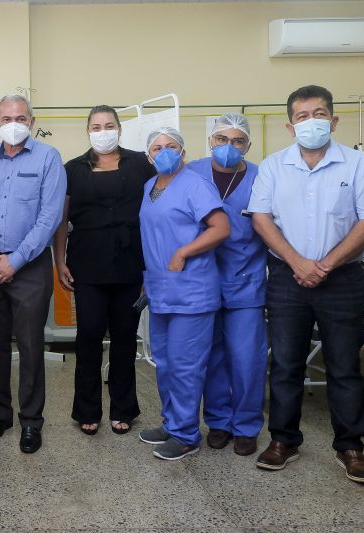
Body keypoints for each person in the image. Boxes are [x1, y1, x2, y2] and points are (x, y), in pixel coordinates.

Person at [248, 85, 364, 484]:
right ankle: (283, 441)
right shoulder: (274, 166)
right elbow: (261, 219)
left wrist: (323, 265)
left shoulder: (358, 164)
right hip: (288, 278)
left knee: (345, 365)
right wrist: (299, 263)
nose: (312, 122)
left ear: (334, 119)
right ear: (290, 126)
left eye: (320, 113)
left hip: (342, 279)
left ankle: (350, 447)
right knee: (286, 363)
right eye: (303, 116)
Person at [55, 105, 155, 437]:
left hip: (131, 262)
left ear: (119, 129)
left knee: (126, 338)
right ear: (88, 132)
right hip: (87, 262)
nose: (103, 131)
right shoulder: (73, 169)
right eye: (96, 126)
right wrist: (59, 259)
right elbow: (61, 219)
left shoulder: (141, 163)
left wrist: (150, 269)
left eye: (109, 125)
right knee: (88, 337)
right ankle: (87, 409)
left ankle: (124, 408)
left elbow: (157, 211)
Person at [0, 94, 66, 454]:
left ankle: (31, 420)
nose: (14, 123)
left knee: (30, 346)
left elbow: (50, 217)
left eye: (21, 117)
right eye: (7, 117)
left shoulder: (48, 158)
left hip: (30, 267)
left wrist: (15, 260)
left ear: (31, 121)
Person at [137, 127, 230, 460]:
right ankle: (172, 423)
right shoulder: (150, 187)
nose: (164, 152)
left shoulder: (195, 184)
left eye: (171, 146)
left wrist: (183, 253)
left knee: (185, 365)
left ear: (183, 152)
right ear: (149, 156)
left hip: (192, 290)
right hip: (161, 289)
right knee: (164, 362)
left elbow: (222, 227)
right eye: (157, 147)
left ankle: (187, 435)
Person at [185, 113, 268, 456]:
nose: (229, 147)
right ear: (210, 141)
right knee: (212, 357)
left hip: (245, 281)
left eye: (237, 141)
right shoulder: (191, 174)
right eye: (222, 139)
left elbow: (272, 226)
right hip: (201, 281)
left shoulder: (261, 177)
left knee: (247, 358)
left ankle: (247, 424)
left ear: (248, 145)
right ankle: (219, 422)